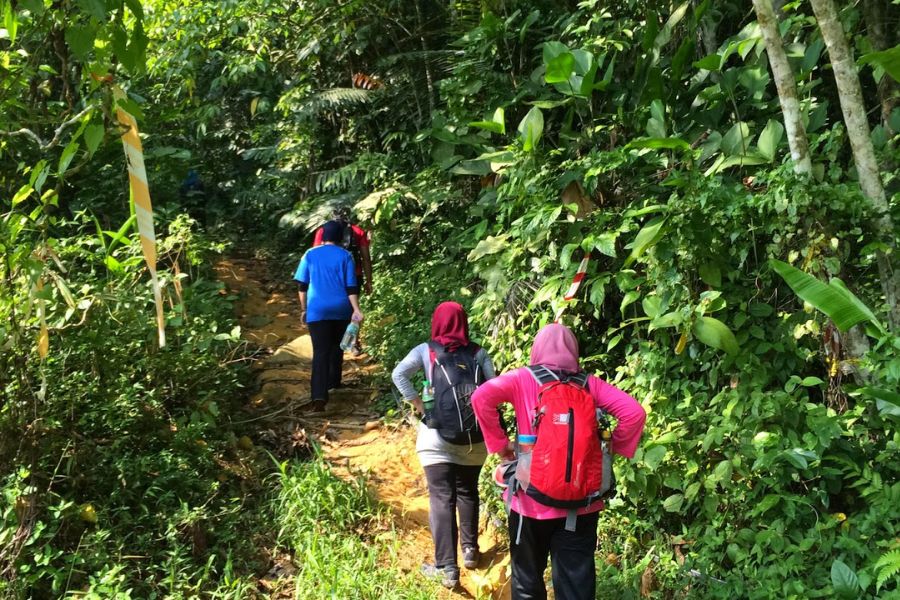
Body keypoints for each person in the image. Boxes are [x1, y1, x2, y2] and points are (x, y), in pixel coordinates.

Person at [471, 323, 646, 600]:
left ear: (536, 350)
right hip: (582, 506)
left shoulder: (522, 379)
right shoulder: (590, 384)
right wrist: (612, 449)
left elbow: (481, 397)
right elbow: (634, 413)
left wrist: (501, 446)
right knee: (576, 586)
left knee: (527, 580)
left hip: (529, 503)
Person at [391, 302, 496, 589]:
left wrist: (419, 406)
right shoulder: (478, 353)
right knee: (467, 491)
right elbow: (495, 389)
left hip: (436, 436)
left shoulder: (426, 350)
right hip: (475, 440)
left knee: (441, 497)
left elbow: (398, 374)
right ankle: (470, 551)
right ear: (464, 322)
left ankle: (446, 568)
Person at [294, 220, 364, 413]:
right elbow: (351, 287)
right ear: (341, 237)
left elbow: (302, 286)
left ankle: (319, 396)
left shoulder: (309, 254)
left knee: (320, 353)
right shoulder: (346, 255)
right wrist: (356, 309)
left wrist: (303, 309)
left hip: (317, 311)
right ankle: (334, 383)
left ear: (323, 236)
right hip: (341, 309)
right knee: (338, 347)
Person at [313, 206, 373, 295]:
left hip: (330, 274)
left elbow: (316, 255)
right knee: (352, 305)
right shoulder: (358, 231)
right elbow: (366, 258)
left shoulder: (323, 230)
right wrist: (368, 281)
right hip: (354, 274)